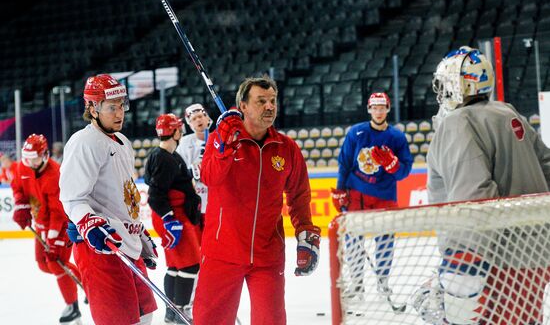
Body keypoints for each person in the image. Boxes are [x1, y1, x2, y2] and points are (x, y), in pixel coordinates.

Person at [416, 46, 550, 324]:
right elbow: (547, 167)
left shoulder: (457, 122)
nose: (441, 91)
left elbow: (474, 195)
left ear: (462, 83)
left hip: (495, 261)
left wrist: (461, 267)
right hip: (535, 253)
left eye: (447, 82)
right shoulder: (507, 112)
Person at [192, 75, 321, 325]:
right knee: (210, 321)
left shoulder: (286, 148)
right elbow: (209, 177)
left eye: (272, 100)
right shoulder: (220, 139)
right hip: (222, 252)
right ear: (243, 106)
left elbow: (299, 195)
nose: (270, 107)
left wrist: (305, 232)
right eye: (261, 101)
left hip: (268, 254)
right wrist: (224, 146)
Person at [59, 74, 158, 325]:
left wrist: (138, 230)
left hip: (127, 242)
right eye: (111, 107)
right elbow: (72, 198)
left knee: (145, 314)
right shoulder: (84, 142)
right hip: (101, 248)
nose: (119, 113)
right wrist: (90, 223)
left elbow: (123, 193)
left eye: (121, 105)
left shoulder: (122, 141)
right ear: (92, 108)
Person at [331, 92, 413, 297]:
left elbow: (404, 171)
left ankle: (383, 282)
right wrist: (341, 190)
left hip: (384, 196)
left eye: (382, 107)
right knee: (353, 241)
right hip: (357, 193)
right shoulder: (356, 132)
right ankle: (357, 283)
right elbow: (345, 162)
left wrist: (393, 165)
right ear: (369, 109)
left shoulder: (397, 137)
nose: (378, 112)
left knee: (385, 241)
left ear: (388, 109)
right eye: (374, 108)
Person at [11, 133, 82, 324]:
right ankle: (85, 279)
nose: (30, 163)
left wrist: (52, 241)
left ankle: (72, 306)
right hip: (41, 224)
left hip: (61, 226)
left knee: (54, 262)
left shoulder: (55, 173)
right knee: (43, 264)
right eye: (27, 158)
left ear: (44, 154)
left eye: (34, 159)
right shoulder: (22, 166)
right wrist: (21, 206)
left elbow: (57, 213)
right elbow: (18, 189)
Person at [144, 113, 202, 323]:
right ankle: (181, 311)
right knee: (190, 265)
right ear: (176, 131)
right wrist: (170, 219)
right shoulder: (164, 158)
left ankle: (172, 311)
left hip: (177, 217)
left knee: (176, 265)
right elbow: (155, 194)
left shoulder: (168, 155)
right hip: (174, 218)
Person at [175, 103, 212, 224]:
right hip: (194, 202)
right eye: (193, 119)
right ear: (189, 124)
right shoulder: (184, 143)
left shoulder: (218, 139)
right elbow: (178, 171)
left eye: (200, 116)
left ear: (207, 118)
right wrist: (192, 170)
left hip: (215, 201)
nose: (198, 120)